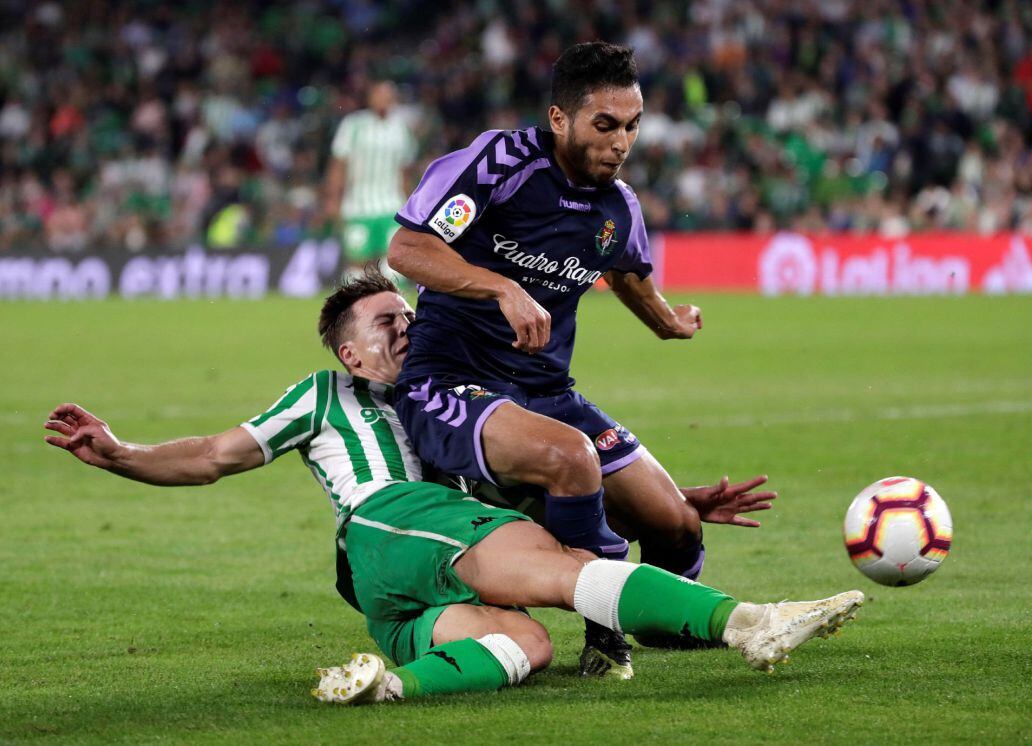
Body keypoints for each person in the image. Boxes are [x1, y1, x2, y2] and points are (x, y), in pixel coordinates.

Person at [43, 272, 863, 705]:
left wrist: (672, 503)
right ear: (352, 355)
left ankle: (387, 684)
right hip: (389, 520)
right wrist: (119, 452)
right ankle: (749, 623)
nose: (405, 326)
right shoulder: (330, 397)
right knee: (560, 569)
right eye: (383, 324)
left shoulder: (456, 405)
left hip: (403, 597)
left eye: (408, 314)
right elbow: (215, 455)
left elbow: (538, 475)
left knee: (526, 646)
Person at [387, 42, 714, 674]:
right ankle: (604, 632)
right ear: (560, 119)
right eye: (605, 125)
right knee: (571, 456)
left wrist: (668, 321)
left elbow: (627, 276)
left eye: (632, 125)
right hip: (452, 383)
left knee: (675, 524)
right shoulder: (500, 163)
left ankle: (672, 625)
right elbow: (407, 248)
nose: (621, 142)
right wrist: (502, 286)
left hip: (547, 390)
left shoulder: (618, 206)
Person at [324, 81, 417, 279]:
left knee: (394, 261)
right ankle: (355, 308)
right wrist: (333, 199)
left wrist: (411, 205)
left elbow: (405, 171)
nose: (383, 99)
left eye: (388, 95)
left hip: (392, 205)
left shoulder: (401, 128)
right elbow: (339, 164)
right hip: (358, 206)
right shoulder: (353, 124)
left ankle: (389, 307)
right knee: (358, 262)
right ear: (370, 98)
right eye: (379, 94)